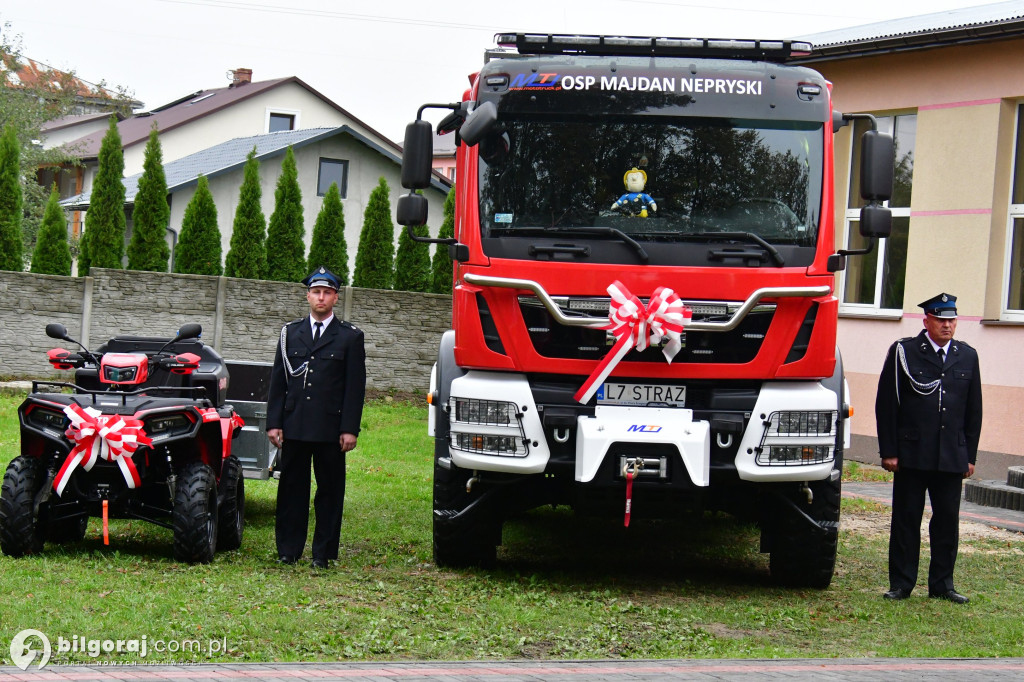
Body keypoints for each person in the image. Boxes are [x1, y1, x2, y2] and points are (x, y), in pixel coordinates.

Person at [875, 293, 982, 603]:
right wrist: (889, 450)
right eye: (940, 319)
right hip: (912, 453)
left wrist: (969, 455)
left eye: (951, 320)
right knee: (907, 519)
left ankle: (942, 584)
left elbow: (973, 410)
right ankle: (902, 583)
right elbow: (887, 404)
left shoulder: (967, 356)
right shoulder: (905, 352)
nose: (946, 325)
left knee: (947, 521)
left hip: (951, 454)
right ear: (927, 321)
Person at [267, 266, 366, 568]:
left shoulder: (350, 337)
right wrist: (274, 422)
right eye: (316, 292)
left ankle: (322, 554)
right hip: (295, 424)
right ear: (308, 296)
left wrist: (349, 429)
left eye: (327, 292)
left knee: (330, 493)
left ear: (336, 297)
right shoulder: (290, 333)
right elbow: (278, 381)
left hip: (330, 428)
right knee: (292, 490)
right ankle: (288, 550)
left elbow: (354, 387)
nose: (321, 297)